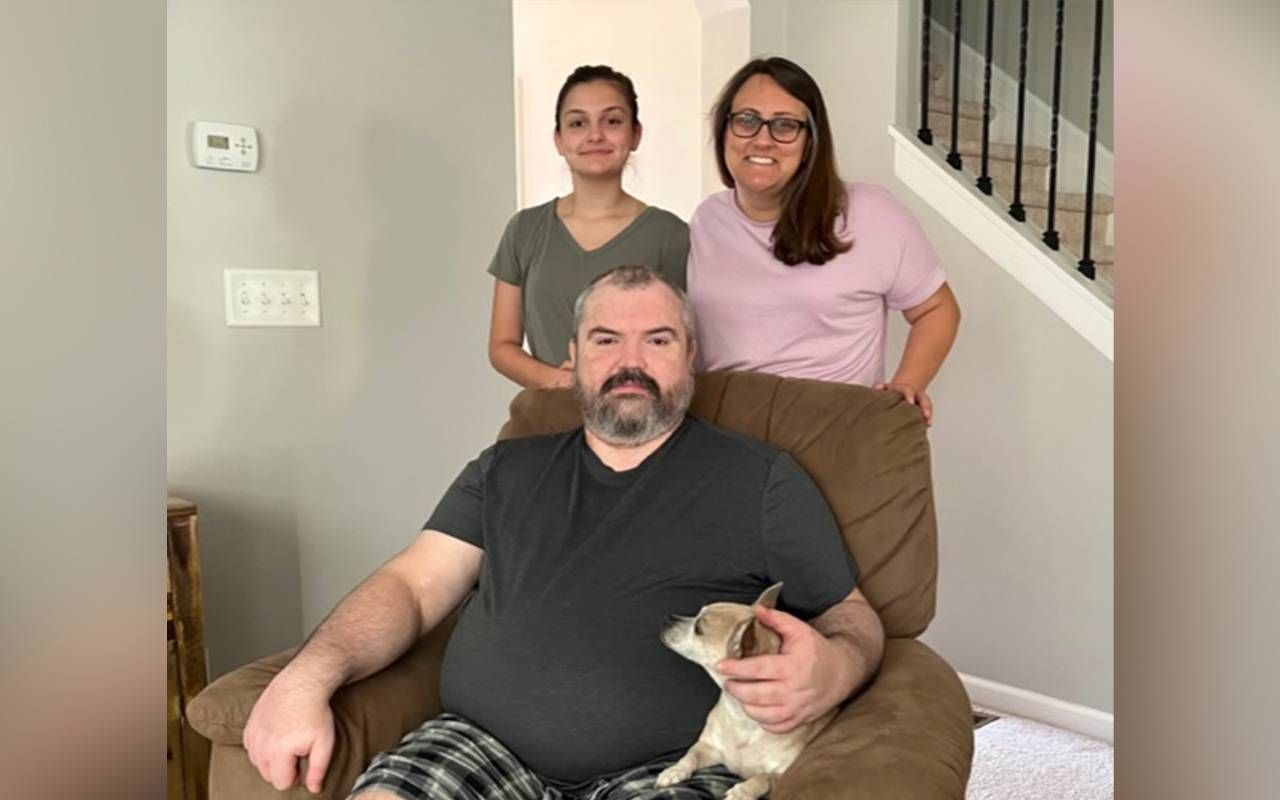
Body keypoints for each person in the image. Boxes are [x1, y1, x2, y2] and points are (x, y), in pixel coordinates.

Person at [243, 265, 885, 799]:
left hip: (671, 769)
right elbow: (411, 586)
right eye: (606, 340)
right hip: (478, 744)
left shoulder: (762, 479)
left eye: (658, 340)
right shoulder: (505, 469)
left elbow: (852, 617)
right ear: (573, 357)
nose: (629, 363)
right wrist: (305, 678)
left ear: (691, 356)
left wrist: (836, 668)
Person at [688, 57, 961, 426]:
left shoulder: (870, 212)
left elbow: (937, 309)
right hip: (726, 433)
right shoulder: (707, 220)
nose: (762, 139)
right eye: (746, 121)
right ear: (724, 131)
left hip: (830, 430)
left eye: (785, 125)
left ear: (810, 141)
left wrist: (906, 385)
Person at [488, 65, 690, 391]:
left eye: (612, 121)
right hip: (547, 417)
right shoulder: (525, 230)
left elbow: (683, 345)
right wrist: (561, 381)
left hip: (641, 419)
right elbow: (502, 345)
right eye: (578, 123)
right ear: (559, 139)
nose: (595, 135)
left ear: (635, 134)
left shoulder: (671, 235)